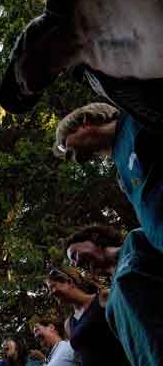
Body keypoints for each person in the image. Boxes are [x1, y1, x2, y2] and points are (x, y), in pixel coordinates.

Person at [65, 224, 163, 366]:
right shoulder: (109, 303)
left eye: (75, 253)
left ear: (94, 238)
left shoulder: (137, 241)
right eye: (72, 262)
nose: (76, 262)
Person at [53, 102, 163, 255]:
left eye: (64, 144)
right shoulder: (121, 174)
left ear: (85, 122)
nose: (66, 155)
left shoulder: (136, 119)